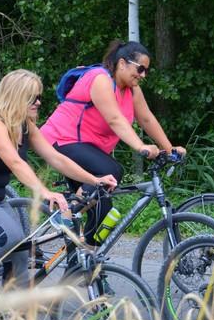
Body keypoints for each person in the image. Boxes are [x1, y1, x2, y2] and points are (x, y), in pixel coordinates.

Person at [0, 69, 117, 288]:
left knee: (20, 252)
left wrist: (94, 179)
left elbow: (55, 158)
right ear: (16, 96)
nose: (38, 102)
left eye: (39, 96)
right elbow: (16, 163)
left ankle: (14, 306)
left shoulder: (25, 125)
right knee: (8, 237)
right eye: (32, 97)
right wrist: (45, 192)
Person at [40, 40, 185, 246]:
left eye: (146, 71)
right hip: (62, 139)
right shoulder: (100, 79)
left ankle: (80, 261)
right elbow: (114, 119)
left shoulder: (132, 90)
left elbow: (147, 119)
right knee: (111, 170)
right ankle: (66, 213)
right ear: (123, 63)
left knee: (102, 212)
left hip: (88, 150)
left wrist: (170, 150)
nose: (143, 75)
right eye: (140, 69)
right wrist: (141, 146)